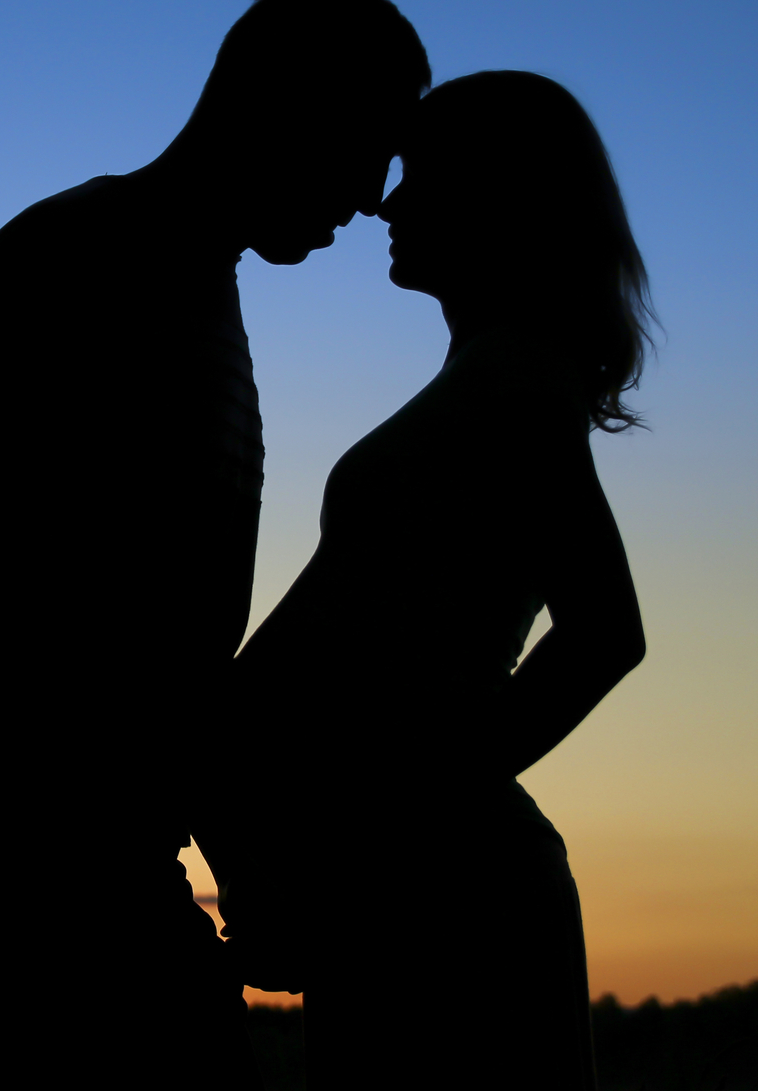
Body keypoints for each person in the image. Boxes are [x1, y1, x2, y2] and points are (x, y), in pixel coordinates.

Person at [0, 0, 430, 1090]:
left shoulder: (192, 284)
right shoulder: (83, 254)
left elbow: (167, 643)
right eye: (370, 144)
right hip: (11, 826)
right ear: (282, 102)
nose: (373, 197)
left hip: (78, 826)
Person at [221, 71, 654, 1089]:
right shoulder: (488, 379)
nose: (386, 200)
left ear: (497, 199)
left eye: (418, 176)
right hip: (410, 889)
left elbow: (604, 631)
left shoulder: (510, 385)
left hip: (446, 898)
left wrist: (399, 814)